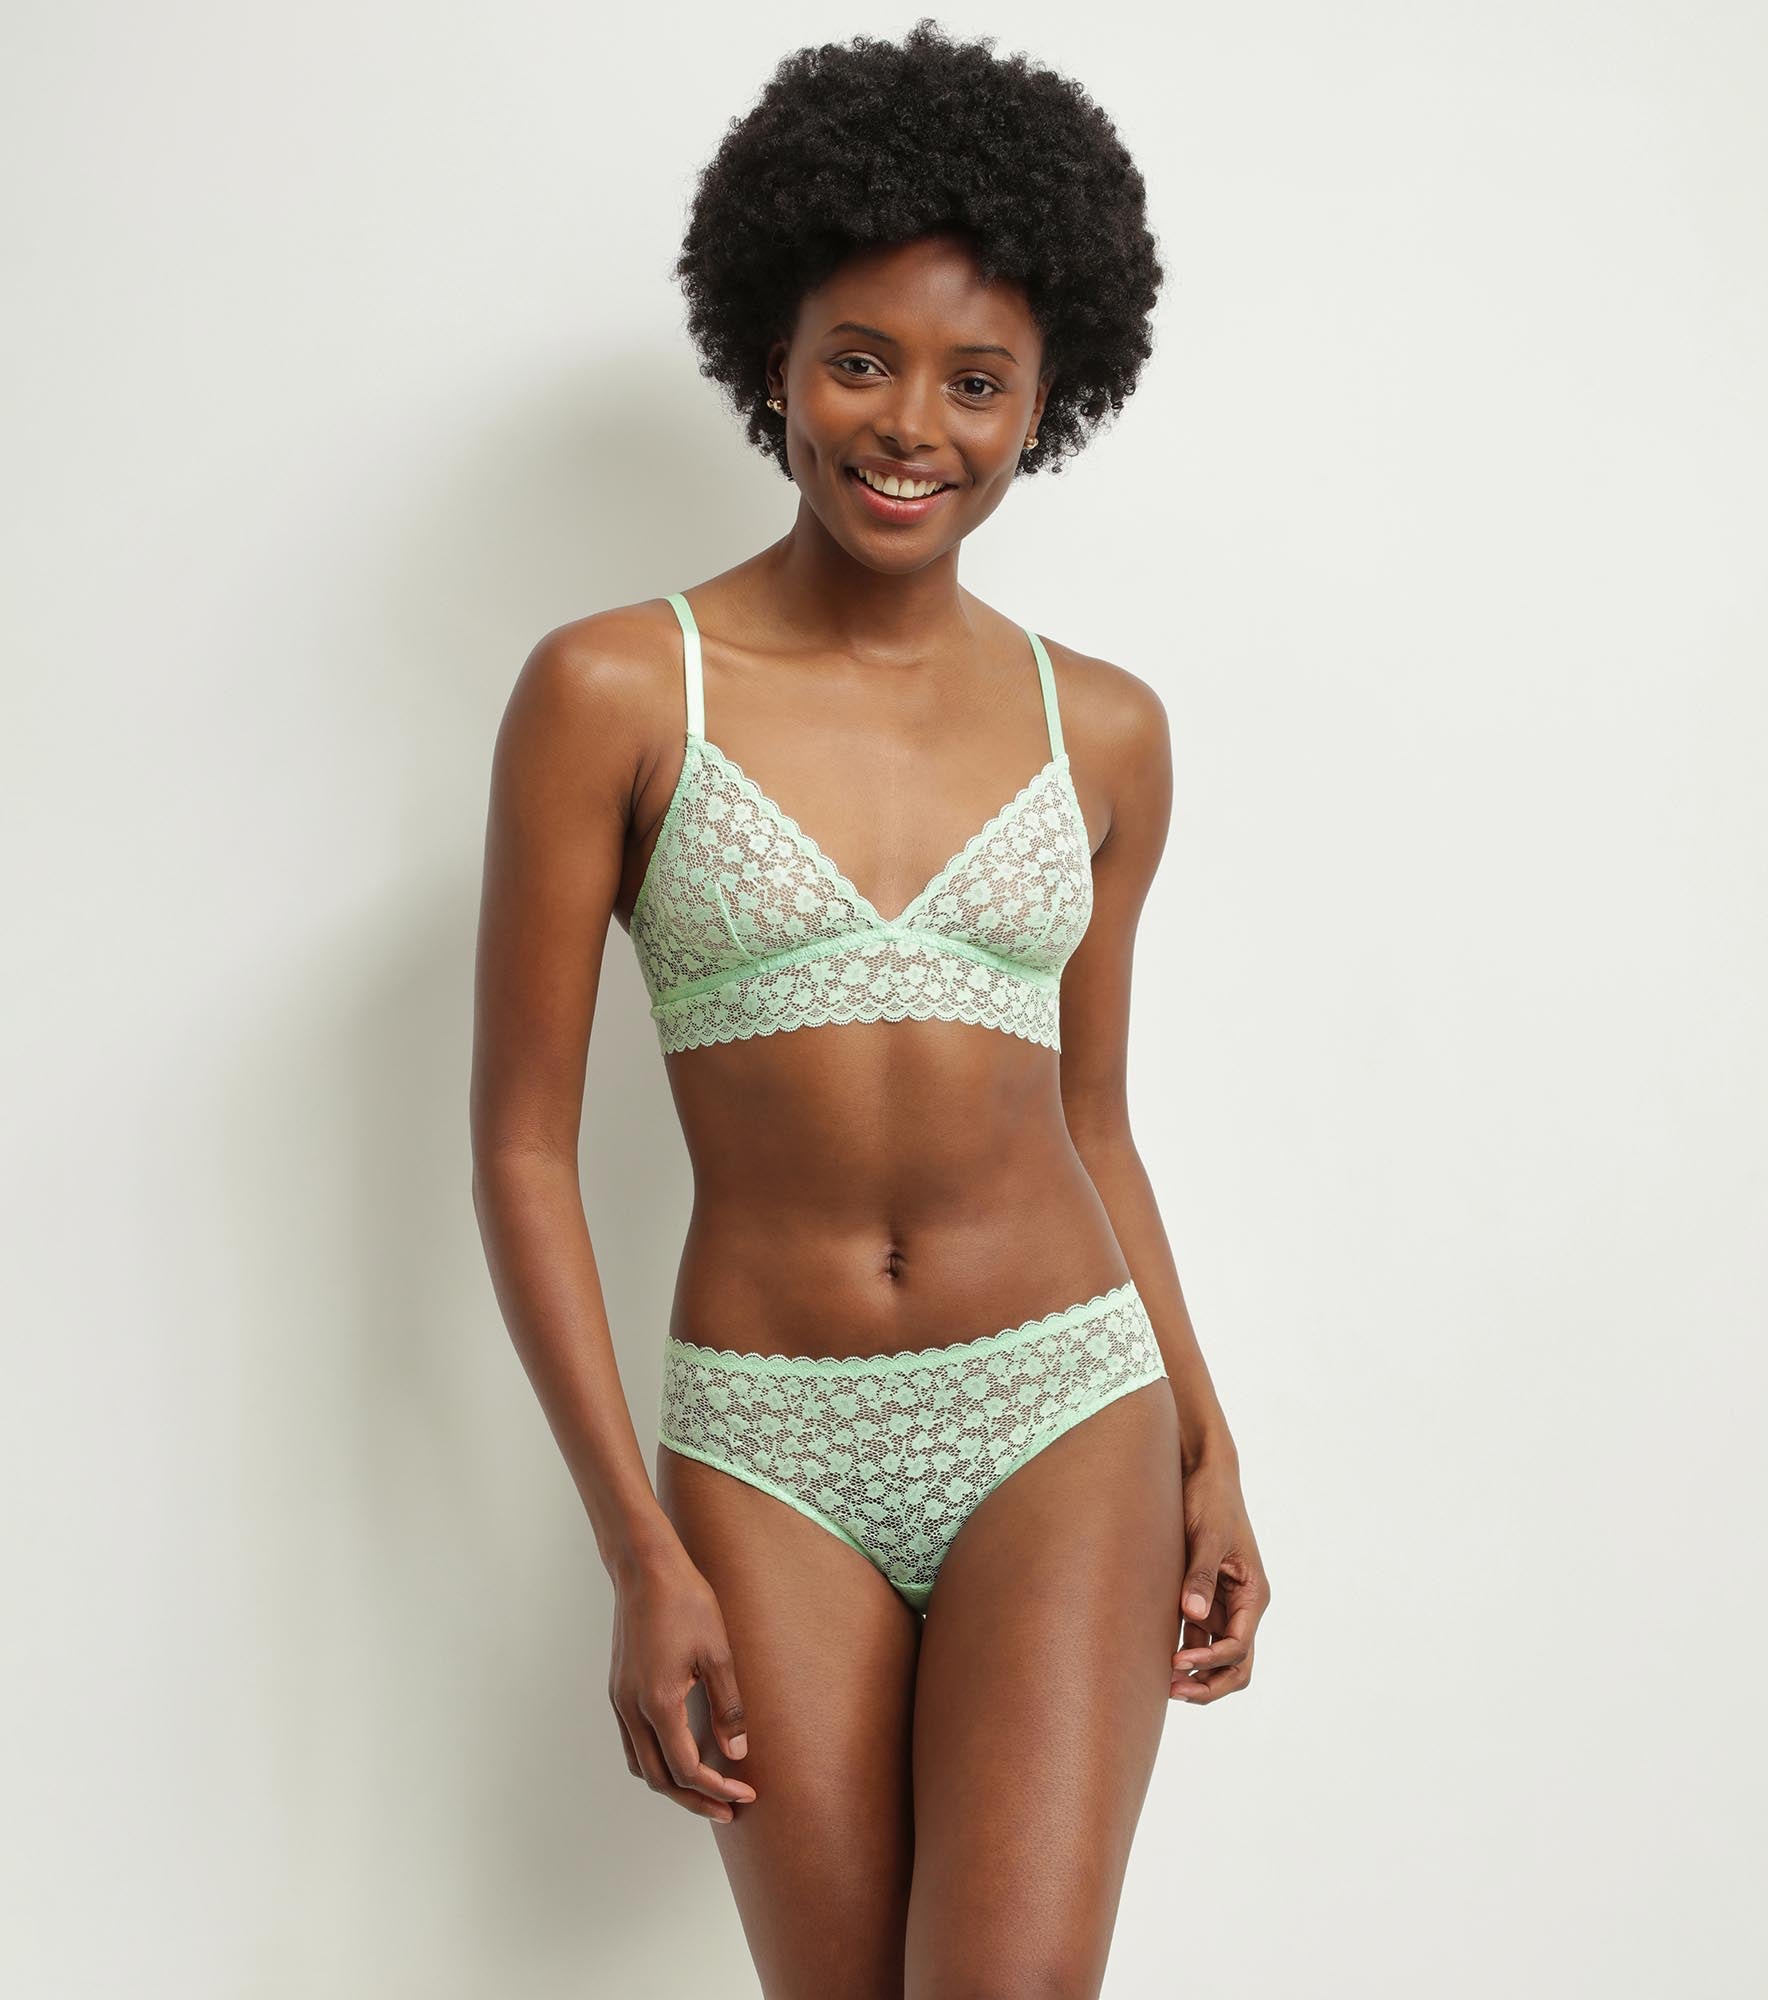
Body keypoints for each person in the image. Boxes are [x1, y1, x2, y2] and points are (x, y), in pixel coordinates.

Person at [471, 20, 1270, 1994]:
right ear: (773, 358)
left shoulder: (1106, 729)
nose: (912, 426)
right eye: (861, 360)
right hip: (766, 1441)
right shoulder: (613, 692)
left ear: (1048, 400)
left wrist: (1211, 1443)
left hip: (1061, 1405)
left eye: (976, 380)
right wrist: (637, 1543)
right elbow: (521, 1147)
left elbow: (1093, 1121)